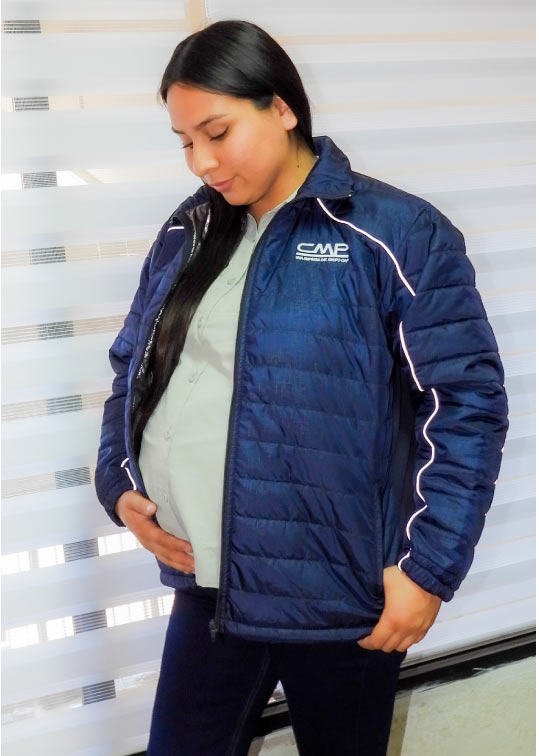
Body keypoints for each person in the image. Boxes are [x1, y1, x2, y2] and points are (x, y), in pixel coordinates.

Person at [94, 18, 509, 756]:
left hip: (340, 595)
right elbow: (135, 369)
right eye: (185, 141)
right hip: (210, 581)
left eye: (217, 132)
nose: (201, 162)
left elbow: (463, 406)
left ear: (282, 108)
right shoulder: (189, 232)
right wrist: (120, 483)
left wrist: (427, 570)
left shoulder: (394, 233)